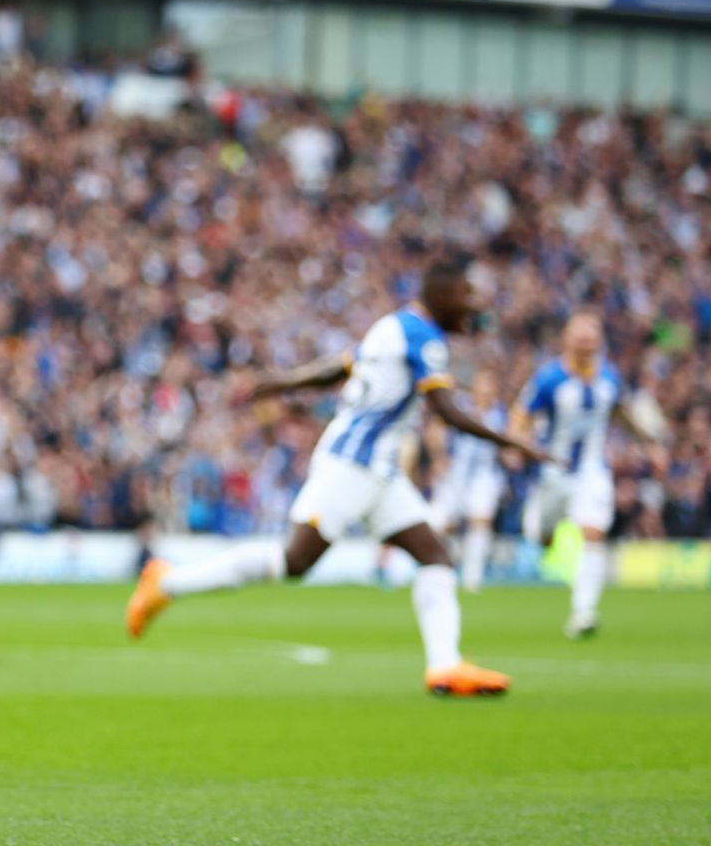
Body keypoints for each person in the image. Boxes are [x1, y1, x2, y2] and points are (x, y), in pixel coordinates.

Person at [125, 259, 549, 697]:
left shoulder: (393, 325)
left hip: (378, 469)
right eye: (465, 295)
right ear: (441, 296)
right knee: (294, 561)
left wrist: (286, 380)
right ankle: (166, 582)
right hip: (353, 465)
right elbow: (446, 410)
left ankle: (445, 666)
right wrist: (513, 442)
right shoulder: (425, 339)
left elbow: (344, 366)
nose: (471, 305)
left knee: (435, 557)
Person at [513, 313, 664, 640]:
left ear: (599, 340)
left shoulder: (609, 376)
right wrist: (515, 444)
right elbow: (522, 413)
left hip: (592, 471)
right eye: (579, 334)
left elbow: (620, 411)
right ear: (567, 339)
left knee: (593, 533)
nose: (586, 340)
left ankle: (584, 612)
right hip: (553, 473)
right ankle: (545, 539)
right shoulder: (549, 377)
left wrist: (649, 444)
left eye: (591, 334)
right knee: (542, 536)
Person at [431, 368, 509, 593]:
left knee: (480, 520)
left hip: (484, 474)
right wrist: (439, 456)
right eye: (483, 385)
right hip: (455, 473)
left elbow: (507, 441)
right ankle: (436, 570)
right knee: (439, 524)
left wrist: (509, 456)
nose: (487, 390)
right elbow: (437, 427)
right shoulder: (461, 406)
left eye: (491, 386)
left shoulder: (500, 414)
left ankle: (472, 580)